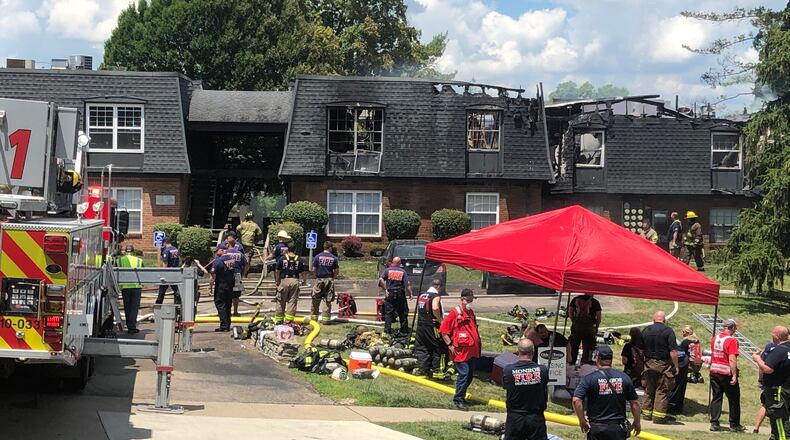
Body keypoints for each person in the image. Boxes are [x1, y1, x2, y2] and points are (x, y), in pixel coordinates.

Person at [572, 346, 642, 440]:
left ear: (598, 358)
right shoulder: (624, 378)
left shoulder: (589, 379)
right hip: (617, 428)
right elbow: (635, 403)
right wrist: (637, 421)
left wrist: (582, 420)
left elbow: (576, 400)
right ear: (611, 359)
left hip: (597, 427)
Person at [440, 289, 481, 411]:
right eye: (468, 300)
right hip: (460, 353)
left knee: (469, 376)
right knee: (464, 374)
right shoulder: (454, 314)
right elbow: (443, 331)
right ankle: (458, 399)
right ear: (461, 299)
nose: (470, 303)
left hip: (472, 351)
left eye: (471, 300)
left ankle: (461, 395)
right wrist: (450, 345)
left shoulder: (471, 312)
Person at [502, 339, 549, 440]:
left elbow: (506, 386)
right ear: (533, 351)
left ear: (518, 351)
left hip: (515, 416)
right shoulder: (543, 370)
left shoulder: (508, 370)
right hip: (535, 417)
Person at [640, 310, 679, 424]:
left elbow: (641, 349)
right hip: (664, 365)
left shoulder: (646, 330)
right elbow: (673, 351)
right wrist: (676, 366)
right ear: (664, 319)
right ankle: (659, 418)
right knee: (662, 390)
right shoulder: (668, 331)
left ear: (653, 319)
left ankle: (646, 415)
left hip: (648, 364)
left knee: (648, 389)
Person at [752, 326, 790, 440]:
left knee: (779, 419)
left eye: (773, 334)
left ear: (777, 336)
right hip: (786, 388)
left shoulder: (779, 350)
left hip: (778, 390)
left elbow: (768, 368)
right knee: (779, 418)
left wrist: (757, 358)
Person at [709, 318, 745, 432]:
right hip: (726, 372)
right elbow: (732, 358)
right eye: (735, 328)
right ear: (732, 328)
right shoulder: (731, 341)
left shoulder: (715, 338)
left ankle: (714, 422)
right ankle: (734, 424)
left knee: (716, 397)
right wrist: (734, 375)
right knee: (734, 398)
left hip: (714, 370)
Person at [414, 278, 446, 379]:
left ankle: (423, 370)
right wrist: (440, 320)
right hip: (432, 325)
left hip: (420, 326)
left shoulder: (422, 295)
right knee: (438, 347)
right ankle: (438, 371)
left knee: (423, 347)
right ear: (439, 287)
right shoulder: (435, 296)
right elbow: (435, 308)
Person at [378, 257, 413, 335]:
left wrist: (385, 290)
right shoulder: (402, 271)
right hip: (400, 293)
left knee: (388, 313)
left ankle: (387, 330)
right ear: (399, 263)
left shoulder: (387, 270)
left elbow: (381, 280)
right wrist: (410, 293)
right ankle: (404, 330)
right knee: (402, 312)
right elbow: (407, 284)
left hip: (390, 293)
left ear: (393, 262)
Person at [274, 246, 306, 324]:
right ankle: (289, 321)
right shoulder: (299, 259)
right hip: (295, 281)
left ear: (288, 250)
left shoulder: (282, 259)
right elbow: (303, 272)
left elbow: (277, 271)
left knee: (281, 301)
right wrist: (304, 280)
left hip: (284, 280)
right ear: (295, 250)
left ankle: (279, 320)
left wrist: (277, 281)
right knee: (292, 301)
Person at [211, 247, 240, 332]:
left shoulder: (218, 261)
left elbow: (213, 276)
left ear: (223, 250)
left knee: (220, 304)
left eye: (217, 251)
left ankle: (224, 326)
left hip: (221, 285)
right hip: (230, 285)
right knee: (228, 304)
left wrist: (210, 287)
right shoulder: (232, 260)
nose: (216, 252)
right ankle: (227, 324)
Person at [117, 245, 143, 334]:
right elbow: (144, 273)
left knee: (127, 307)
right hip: (136, 287)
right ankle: (132, 327)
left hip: (125, 287)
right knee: (134, 308)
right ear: (133, 251)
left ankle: (129, 326)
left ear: (125, 251)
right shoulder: (139, 260)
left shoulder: (120, 260)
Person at [753, 341, 778, 435]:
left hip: (769, 382)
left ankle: (756, 428)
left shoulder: (770, 346)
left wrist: (760, 379)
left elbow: (762, 365)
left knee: (765, 404)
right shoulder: (785, 348)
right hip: (782, 383)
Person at [568, 294, 602, 364]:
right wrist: (596, 327)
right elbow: (599, 317)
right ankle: (584, 363)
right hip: (589, 327)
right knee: (587, 347)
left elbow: (570, 312)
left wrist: (574, 321)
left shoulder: (575, 299)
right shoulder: (595, 302)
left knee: (574, 345)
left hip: (577, 326)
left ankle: (572, 362)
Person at [311, 241, 339, 322]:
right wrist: (333, 277)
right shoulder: (334, 258)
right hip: (329, 280)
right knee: (327, 300)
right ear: (330, 248)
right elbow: (336, 271)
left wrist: (316, 276)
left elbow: (313, 269)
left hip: (319, 279)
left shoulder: (317, 257)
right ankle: (326, 320)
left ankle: (313, 320)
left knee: (315, 300)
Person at [668, 325, 692, 414]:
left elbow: (680, 354)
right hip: (686, 364)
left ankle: (672, 407)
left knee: (676, 387)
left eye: (683, 332)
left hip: (682, 364)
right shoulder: (694, 340)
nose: (682, 333)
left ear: (687, 332)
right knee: (682, 387)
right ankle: (678, 407)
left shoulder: (686, 341)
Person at [222, 232, 246, 316]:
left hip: (226, 276)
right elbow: (246, 265)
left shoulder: (225, 254)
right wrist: (243, 274)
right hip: (237, 275)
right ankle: (235, 312)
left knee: (226, 294)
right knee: (236, 295)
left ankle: (226, 312)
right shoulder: (240, 254)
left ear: (228, 244)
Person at [156, 239, 181, 304]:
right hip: (174, 272)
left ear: (165, 243)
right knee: (176, 290)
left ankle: (158, 305)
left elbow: (165, 262)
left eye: (163, 244)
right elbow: (179, 261)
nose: (163, 245)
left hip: (168, 273)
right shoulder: (175, 249)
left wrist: (164, 273)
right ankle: (179, 304)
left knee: (161, 291)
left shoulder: (166, 251)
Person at [237, 212, 262, 276]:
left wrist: (239, 236)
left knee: (240, 255)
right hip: (250, 244)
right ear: (252, 218)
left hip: (242, 243)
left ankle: (240, 271)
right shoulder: (255, 225)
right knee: (247, 257)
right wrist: (256, 240)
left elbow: (237, 228)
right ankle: (245, 273)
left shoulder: (242, 224)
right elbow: (260, 233)